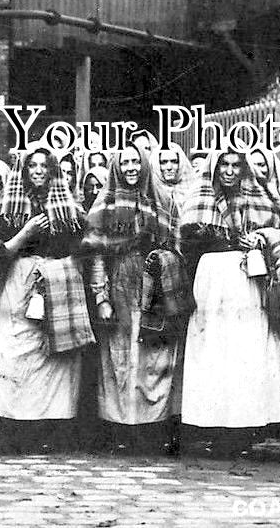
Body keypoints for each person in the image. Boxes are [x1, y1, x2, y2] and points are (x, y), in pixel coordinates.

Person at [0, 146, 94, 456]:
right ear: (25, 171)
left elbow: (82, 249)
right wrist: (25, 232)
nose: (38, 171)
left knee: (51, 361)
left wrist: (57, 269)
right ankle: (8, 431)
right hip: (16, 282)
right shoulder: (9, 208)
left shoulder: (70, 210)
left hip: (53, 285)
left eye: (45, 166)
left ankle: (45, 433)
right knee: (11, 352)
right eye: (33, 166)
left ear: (53, 171)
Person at [178, 150, 280, 455]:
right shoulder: (199, 198)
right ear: (214, 170)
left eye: (235, 165)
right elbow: (184, 245)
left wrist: (259, 239)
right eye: (223, 166)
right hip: (212, 282)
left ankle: (247, 424)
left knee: (247, 351)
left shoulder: (259, 197)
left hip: (247, 283)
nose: (229, 171)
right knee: (214, 351)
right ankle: (214, 425)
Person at [84, 146, 191, 454]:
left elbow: (178, 245)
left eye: (136, 161)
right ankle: (120, 429)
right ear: (116, 168)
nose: (131, 167)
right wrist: (101, 297)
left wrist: (164, 265)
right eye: (125, 162)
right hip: (119, 285)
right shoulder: (104, 204)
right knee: (118, 359)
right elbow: (96, 257)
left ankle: (151, 429)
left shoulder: (164, 201)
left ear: (145, 165)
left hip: (155, 286)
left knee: (154, 359)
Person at [151, 144, 197, 210]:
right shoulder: (151, 190)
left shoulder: (191, 188)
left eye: (174, 162)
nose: (169, 167)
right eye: (163, 162)